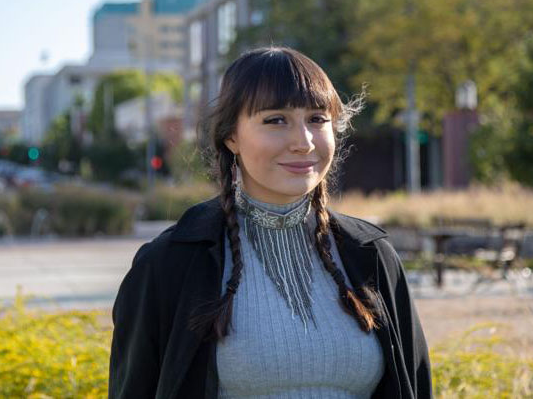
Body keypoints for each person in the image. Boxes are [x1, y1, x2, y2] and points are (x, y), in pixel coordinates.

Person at [108, 47, 432, 399]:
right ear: (231, 136)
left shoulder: (371, 256)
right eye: (275, 120)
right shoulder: (170, 263)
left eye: (317, 119)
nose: (303, 142)